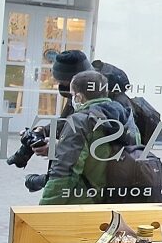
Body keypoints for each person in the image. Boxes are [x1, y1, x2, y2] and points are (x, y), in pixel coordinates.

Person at [38, 69, 140, 205]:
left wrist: (45, 208)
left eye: (72, 95)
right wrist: (60, 146)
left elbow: (65, 173)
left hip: (85, 202)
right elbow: (103, 153)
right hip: (117, 200)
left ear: (79, 97)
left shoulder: (80, 121)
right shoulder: (126, 117)